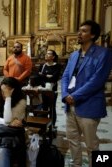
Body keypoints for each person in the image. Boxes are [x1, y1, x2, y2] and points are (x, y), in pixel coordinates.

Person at [61, 20, 112, 167]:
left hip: (89, 105)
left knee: (92, 144)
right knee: (72, 140)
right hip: (70, 105)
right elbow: (65, 76)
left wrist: (74, 96)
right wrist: (65, 95)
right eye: (79, 30)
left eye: (84, 31)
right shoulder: (73, 55)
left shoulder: (104, 53)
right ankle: (76, 164)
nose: (79, 33)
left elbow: (97, 80)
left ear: (93, 35)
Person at [38, 49, 61, 127]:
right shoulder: (42, 65)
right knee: (44, 108)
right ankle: (44, 125)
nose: (46, 55)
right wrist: (47, 76)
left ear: (53, 56)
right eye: (46, 53)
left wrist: (43, 75)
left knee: (52, 108)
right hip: (43, 90)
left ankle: (52, 125)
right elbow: (39, 77)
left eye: (49, 54)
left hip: (52, 91)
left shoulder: (57, 66)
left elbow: (54, 78)